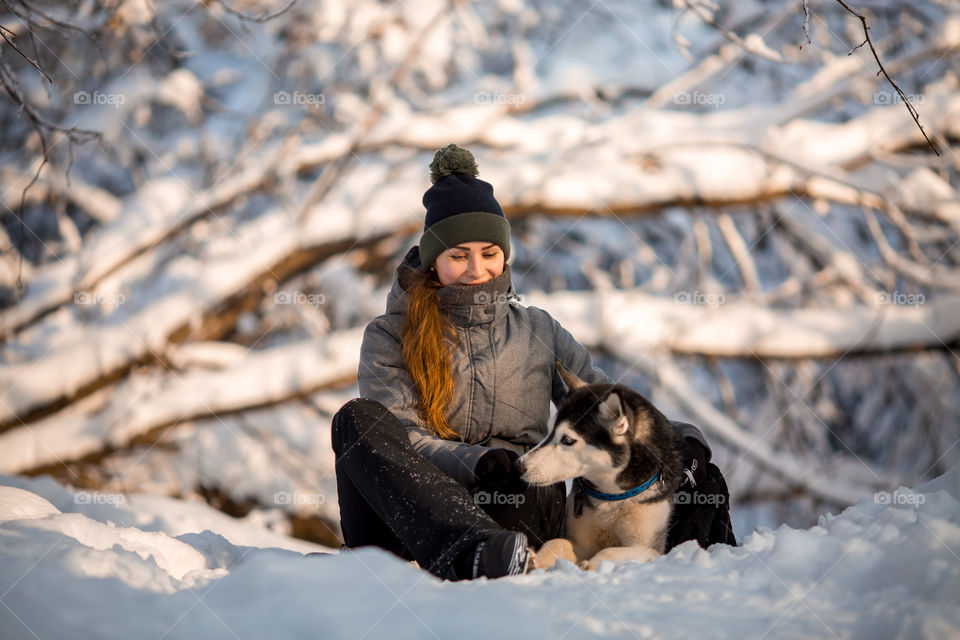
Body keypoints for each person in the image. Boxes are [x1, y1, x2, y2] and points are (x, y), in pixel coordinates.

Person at [331, 144, 735, 581]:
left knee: (532, 483)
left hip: (515, 507)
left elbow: (601, 404)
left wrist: (682, 439)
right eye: (457, 255)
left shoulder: (539, 331)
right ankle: (470, 552)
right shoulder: (391, 335)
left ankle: (493, 552)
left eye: (488, 252)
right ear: (433, 261)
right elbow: (403, 438)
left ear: (505, 254)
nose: (476, 269)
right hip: (410, 514)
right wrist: (476, 461)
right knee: (357, 420)